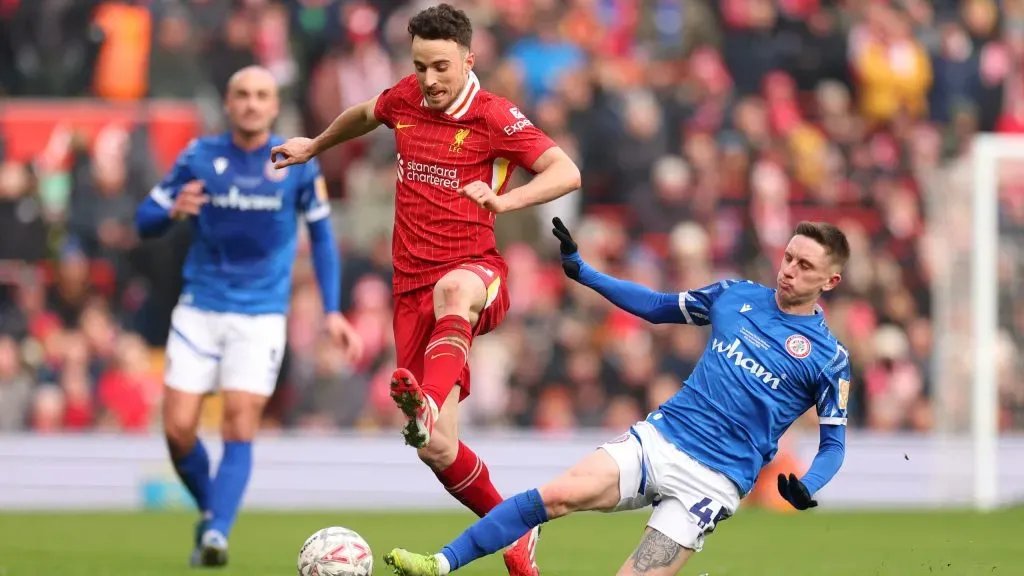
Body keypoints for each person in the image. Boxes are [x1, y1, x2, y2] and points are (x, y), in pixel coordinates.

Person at [271, 5, 580, 575]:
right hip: (409, 289)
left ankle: (427, 399)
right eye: (420, 67)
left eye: (441, 66)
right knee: (435, 448)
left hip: (474, 271)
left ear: (469, 59)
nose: (430, 80)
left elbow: (565, 171)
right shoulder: (407, 98)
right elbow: (367, 112)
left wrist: (504, 201)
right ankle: (517, 528)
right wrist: (315, 145)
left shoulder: (495, 116)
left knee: (454, 292)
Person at [383, 218, 853, 576]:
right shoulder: (736, 296)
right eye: (789, 257)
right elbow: (657, 306)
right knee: (555, 495)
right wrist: (585, 272)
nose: (789, 270)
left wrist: (809, 485)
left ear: (830, 281)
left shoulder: (828, 359)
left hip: (712, 484)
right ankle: (439, 564)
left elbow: (834, 444)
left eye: (805, 265)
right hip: (661, 440)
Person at [134, 66, 363, 567]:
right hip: (199, 308)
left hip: (260, 315)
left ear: (274, 105)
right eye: (243, 95)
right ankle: (211, 511)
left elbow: (323, 237)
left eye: (262, 95)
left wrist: (331, 310)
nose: (252, 103)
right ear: (229, 102)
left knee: (239, 423)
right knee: (177, 431)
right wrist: (172, 207)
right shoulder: (200, 156)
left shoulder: (297, 161)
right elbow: (143, 220)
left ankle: (217, 532)